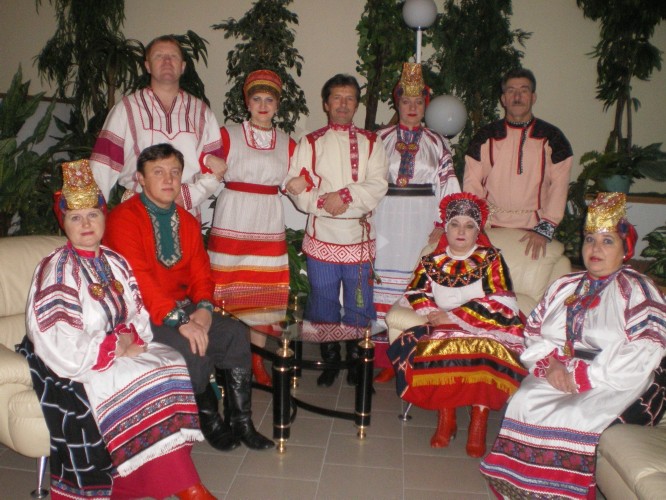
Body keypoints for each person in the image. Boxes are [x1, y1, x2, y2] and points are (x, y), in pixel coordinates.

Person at [24, 159, 215, 499]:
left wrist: (129, 337)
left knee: (171, 362)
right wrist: (111, 346)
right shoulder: (56, 268)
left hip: (123, 346)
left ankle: (166, 477)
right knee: (139, 378)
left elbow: (137, 311)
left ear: (103, 217)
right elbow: (57, 335)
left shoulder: (115, 261)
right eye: (76, 217)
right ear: (64, 222)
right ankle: (187, 487)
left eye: (93, 215)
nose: (86, 224)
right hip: (80, 358)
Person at [480, 192, 666, 499]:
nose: (595, 248)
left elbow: (647, 348)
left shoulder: (638, 289)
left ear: (625, 250)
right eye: (590, 239)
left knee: (575, 413)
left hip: (613, 377)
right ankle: (521, 490)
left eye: (607, 241)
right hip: (558, 368)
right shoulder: (565, 285)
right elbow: (534, 331)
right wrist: (551, 364)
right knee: (524, 401)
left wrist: (585, 376)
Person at [105, 143, 274, 453]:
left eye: (174, 172)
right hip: (142, 314)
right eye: (158, 172)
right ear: (140, 179)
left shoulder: (186, 220)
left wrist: (205, 309)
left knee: (235, 332)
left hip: (185, 306)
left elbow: (200, 273)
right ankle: (209, 420)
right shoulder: (123, 219)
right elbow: (139, 280)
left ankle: (241, 421)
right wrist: (182, 321)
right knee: (192, 345)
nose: (168, 179)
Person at [387, 192, 526, 456]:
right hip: (444, 326)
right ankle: (446, 417)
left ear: (477, 231)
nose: (461, 231)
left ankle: (478, 423)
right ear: (446, 228)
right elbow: (416, 292)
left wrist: (453, 316)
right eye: (455, 224)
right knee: (438, 349)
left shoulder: (491, 258)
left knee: (486, 352)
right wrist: (431, 312)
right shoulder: (431, 262)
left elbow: (502, 299)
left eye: (469, 226)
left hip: (486, 325)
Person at [285, 74, 389, 387]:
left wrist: (344, 196)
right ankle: (330, 360)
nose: (343, 104)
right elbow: (296, 187)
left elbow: (378, 184)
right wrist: (324, 202)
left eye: (349, 98)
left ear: (356, 104)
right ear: (326, 103)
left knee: (360, 303)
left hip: (359, 238)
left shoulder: (372, 142)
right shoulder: (310, 142)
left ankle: (357, 362)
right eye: (337, 98)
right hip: (322, 237)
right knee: (323, 301)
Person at [373, 62, 460, 383]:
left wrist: (443, 223)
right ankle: (383, 358)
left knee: (415, 284)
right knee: (381, 283)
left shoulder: (437, 142)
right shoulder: (379, 139)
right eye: (406, 101)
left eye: (418, 102)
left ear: (425, 106)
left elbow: (449, 187)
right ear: (397, 103)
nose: (412, 108)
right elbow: (367, 182)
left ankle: (409, 356)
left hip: (422, 223)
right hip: (385, 219)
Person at [208, 69, 296, 386]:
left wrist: (300, 182)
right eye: (256, 99)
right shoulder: (227, 134)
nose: (262, 105)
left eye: (269, 100)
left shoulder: (287, 142)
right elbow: (201, 159)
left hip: (267, 220)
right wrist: (208, 161)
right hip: (232, 217)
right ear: (247, 102)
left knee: (262, 295)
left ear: (277, 105)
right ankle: (224, 362)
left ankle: (256, 362)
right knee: (225, 290)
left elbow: (297, 175)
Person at [90, 35, 227, 219]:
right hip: (137, 210)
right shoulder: (126, 109)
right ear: (147, 66)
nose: (167, 61)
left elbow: (216, 168)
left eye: (173, 56)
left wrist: (188, 196)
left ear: (183, 66)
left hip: (184, 212)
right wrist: (92, 216)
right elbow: (102, 167)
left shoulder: (202, 113)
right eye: (159, 56)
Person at [463, 68, 573, 260]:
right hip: (490, 227)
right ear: (503, 99)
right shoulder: (485, 136)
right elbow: (472, 183)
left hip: (535, 230)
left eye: (524, 90)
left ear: (533, 97)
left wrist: (545, 228)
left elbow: (559, 185)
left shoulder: (552, 137)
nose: (517, 96)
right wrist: (476, 225)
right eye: (511, 91)